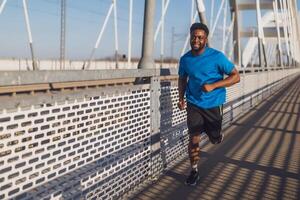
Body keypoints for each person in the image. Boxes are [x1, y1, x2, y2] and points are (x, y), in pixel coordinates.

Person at [177, 22, 240, 186]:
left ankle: (216, 135)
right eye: (193, 37)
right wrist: (181, 98)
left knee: (214, 139)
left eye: (200, 37)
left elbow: (236, 76)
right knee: (194, 138)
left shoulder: (217, 57)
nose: (196, 40)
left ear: (206, 39)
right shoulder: (185, 59)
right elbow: (182, 78)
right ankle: (194, 171)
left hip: (213, 104)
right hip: (194, 103)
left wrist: (213, 85)